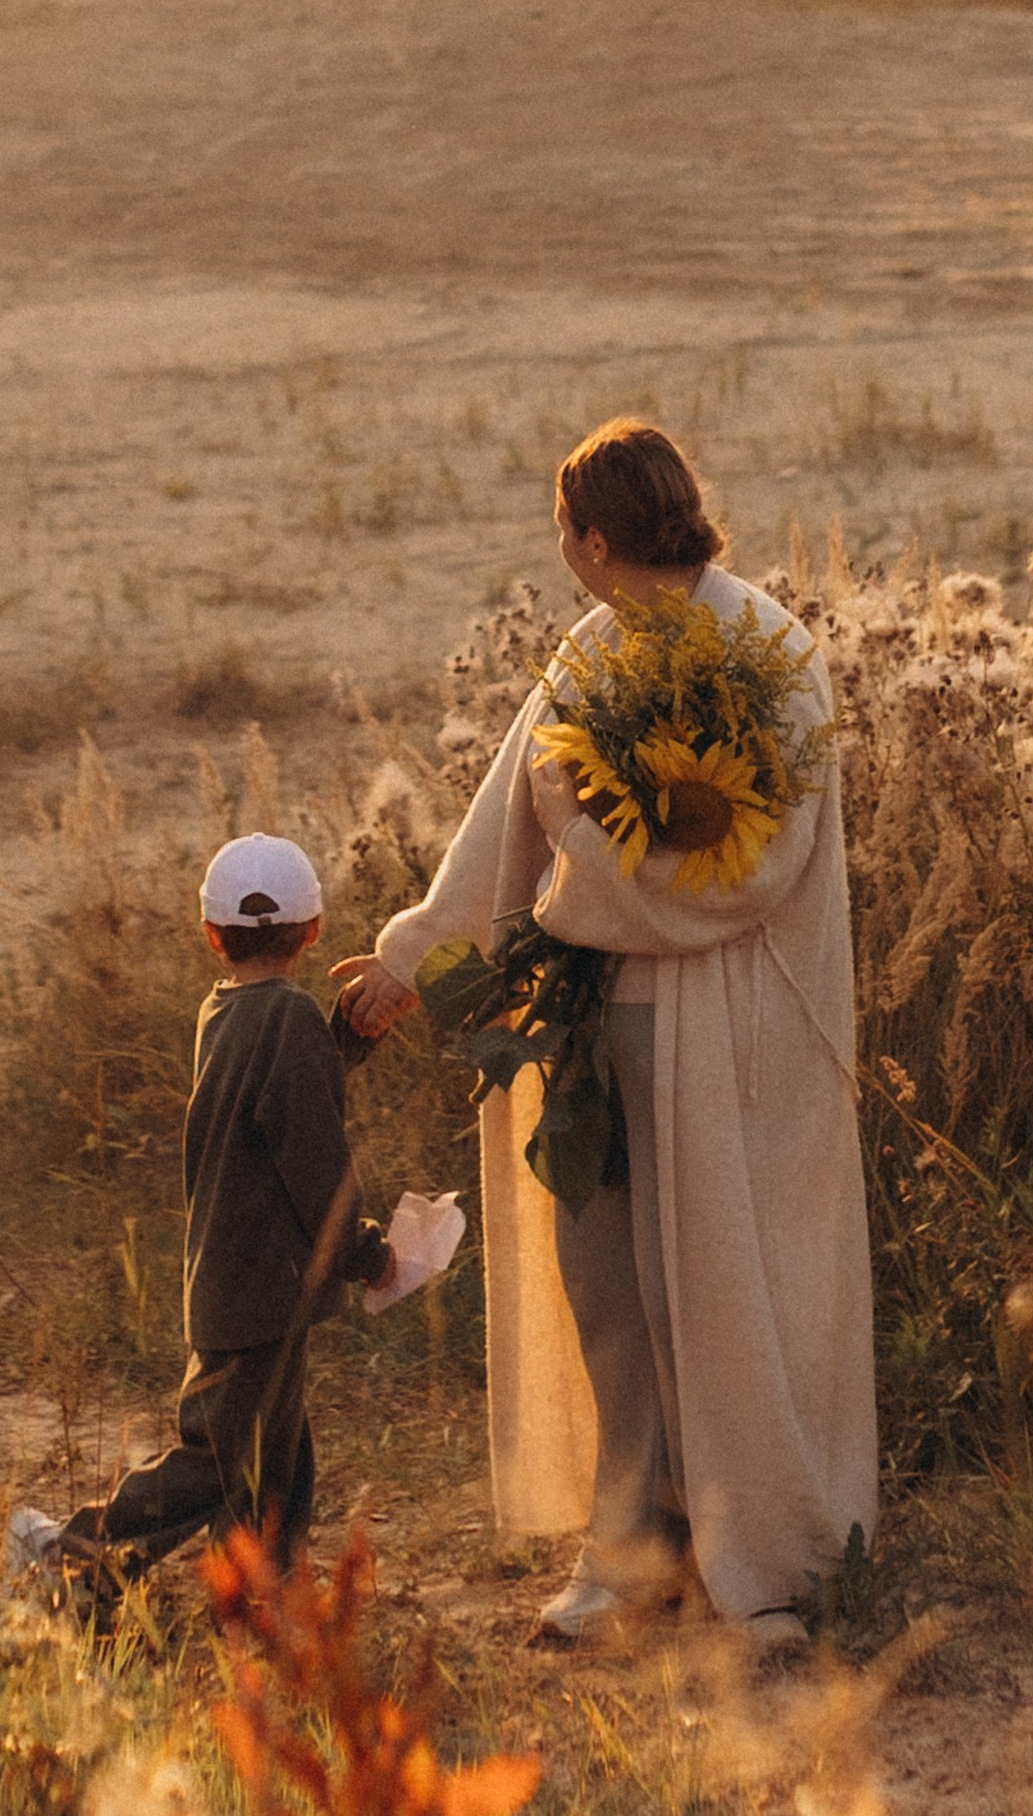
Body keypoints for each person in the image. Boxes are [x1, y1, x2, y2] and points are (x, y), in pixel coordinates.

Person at [333, 420, 875, 1649]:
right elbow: (498, 832)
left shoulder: (767, 654)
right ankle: (630, 1552)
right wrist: (415, 955)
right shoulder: (592, 650)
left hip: (733, 1028)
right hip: (595, 1016)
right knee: (609, 1292)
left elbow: (751, 874)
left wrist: (585, 860)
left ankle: (768, 1566)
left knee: (725, 1292)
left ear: (587, 539)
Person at [9, 832, 396, 1593]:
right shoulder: (288, 1023)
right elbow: (312, 1155)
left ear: (211, 936)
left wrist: (339, 1043)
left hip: (237, 1281)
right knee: (221, 1458)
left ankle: (268, 1586)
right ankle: (69, 1551)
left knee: (278, 1447)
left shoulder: (223, 1013)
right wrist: (365, 1250)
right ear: (314, 930)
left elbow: (274, 1099)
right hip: (259, 1289)